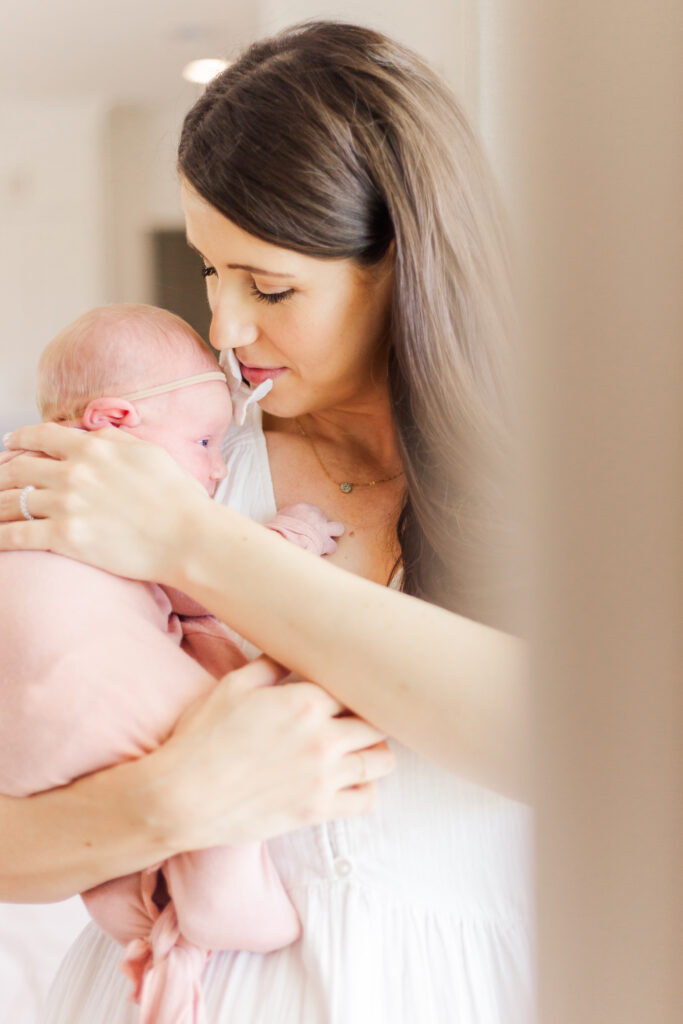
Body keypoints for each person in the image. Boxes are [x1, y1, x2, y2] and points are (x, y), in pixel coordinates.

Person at [0, 20, 533, 1024]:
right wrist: (164, 803)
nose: (225, 329)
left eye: (270, 285)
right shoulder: (163, 454)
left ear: (405, 268)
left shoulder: (562, 487)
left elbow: (561, 741)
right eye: (209, 269)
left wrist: (189, 543)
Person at [0, 302, 348, 1024]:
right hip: (89, 688)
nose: (217, 467)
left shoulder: (23, 472)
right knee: (227, 726)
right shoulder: (97, 489)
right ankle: (223, 902)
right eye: (200, 441)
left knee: (126, 816)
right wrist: (290, 533)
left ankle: (141, 915)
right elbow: (201, 580)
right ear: (114, 422)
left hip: (23, 739)